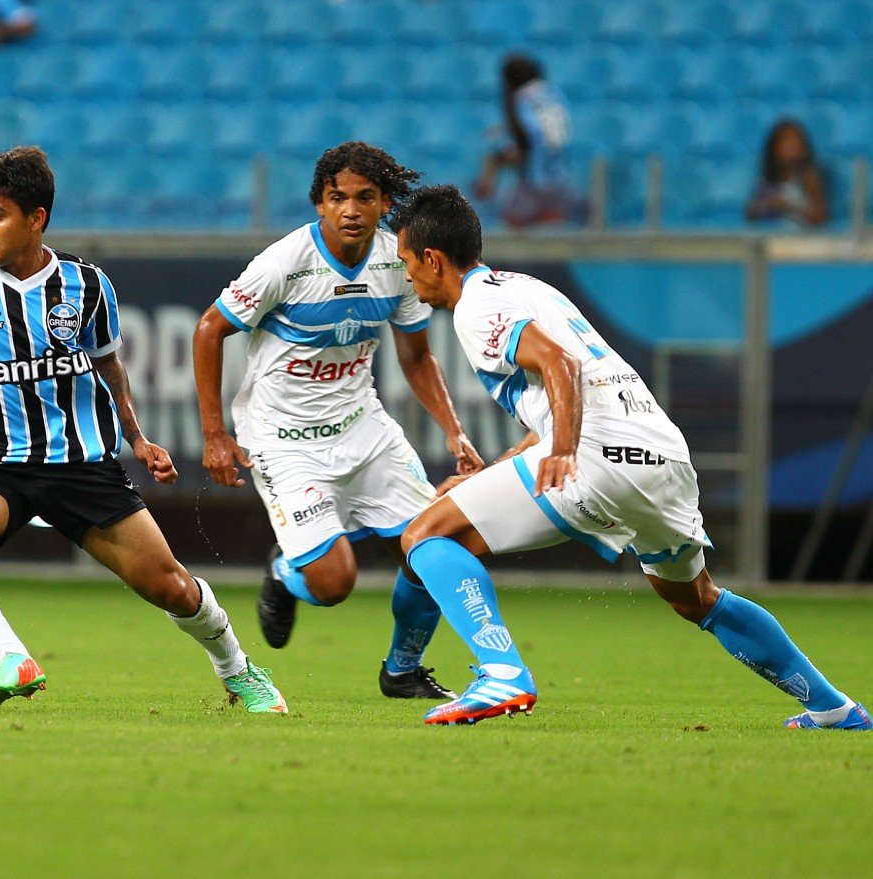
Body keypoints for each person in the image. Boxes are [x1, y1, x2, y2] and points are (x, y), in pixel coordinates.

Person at [0, 146, 287, 715]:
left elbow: (109, 365)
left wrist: (136, 439)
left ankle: (237, 670)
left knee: (171, 587)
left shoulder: (88, 285)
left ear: (36, 218)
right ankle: (11, 655)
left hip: (81, 466)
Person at [388, 183, 869, 731]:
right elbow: (559, 397)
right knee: (698, 598)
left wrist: (566, 450)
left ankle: (502, 673)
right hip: (663, 454)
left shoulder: (476, 307)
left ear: (432, 258)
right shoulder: (526, 288)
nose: (406, 276)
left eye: (406, 262)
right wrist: (500, 471)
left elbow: (559, 364)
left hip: (595, 455)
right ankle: (834, 708)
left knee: (426, 537)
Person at [194, 142, 484, 701]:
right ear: (319, 205)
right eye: (337, 198)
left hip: (364, 429)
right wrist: (214, 434)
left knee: (439, 544)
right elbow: (209, 329)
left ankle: (402, 669)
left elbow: (418, 359)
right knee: (333, 585)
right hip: (283, 440)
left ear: (385, 204)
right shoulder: (285, 262)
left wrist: (455, 432)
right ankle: (285, 575)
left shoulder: (393, 264)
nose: (350, 209)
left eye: (365, 198)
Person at [474, 53, 580, 228]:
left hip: (537, 178)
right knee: (553, 235)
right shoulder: (553, 91)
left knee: (513, 225)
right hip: (561, 177)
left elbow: (525, 141)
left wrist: (496, 162)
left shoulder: (521, 97)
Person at [745, 119, 829, 228]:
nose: (791, 147)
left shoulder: (809, 177)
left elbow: (821, 218)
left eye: (795, 141)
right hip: (771, 235)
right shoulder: (766, 180)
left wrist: (786, 206)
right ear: (774, 148)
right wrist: (763, 206)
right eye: (785, 142)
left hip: (800, 237)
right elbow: (750, 215)